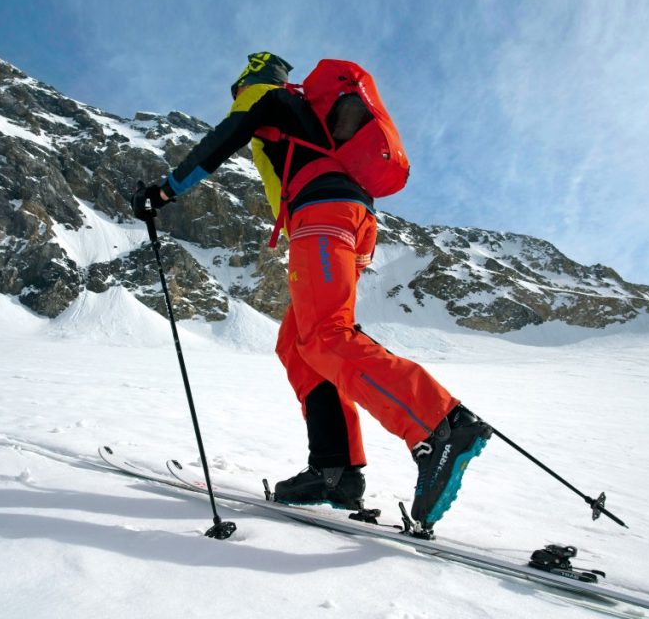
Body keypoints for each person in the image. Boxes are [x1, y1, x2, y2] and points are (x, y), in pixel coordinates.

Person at [137, 52, 491, 533]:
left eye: (236, 90)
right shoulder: (304, 114)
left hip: (323, 214)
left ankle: (439, 425)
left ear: (248, 81)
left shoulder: (266, 96)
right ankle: (336, 470)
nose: (236, 99)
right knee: (299, 343)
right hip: (347, 219)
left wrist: (165, 190)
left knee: (326, 335)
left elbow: (222, 141)